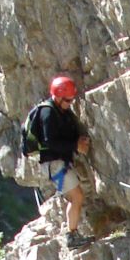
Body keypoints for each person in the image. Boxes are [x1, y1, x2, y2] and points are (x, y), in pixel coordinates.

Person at [21, 75, 91, 250]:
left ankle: (72, 234)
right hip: (54, 164)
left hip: (58, 162)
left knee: (75, 197)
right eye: (67, 100)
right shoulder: (48, 113)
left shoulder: (61, 111)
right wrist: (75, 145)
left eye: (72, 99)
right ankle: (72, 236)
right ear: (58, 97)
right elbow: (50, 142)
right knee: (77, 197)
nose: (70, 103)